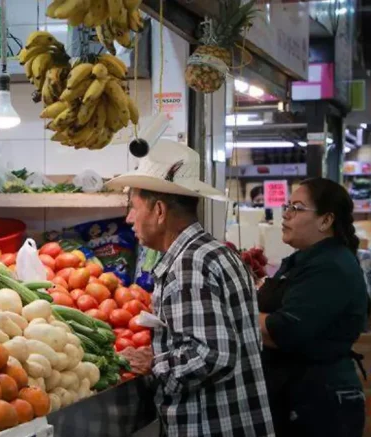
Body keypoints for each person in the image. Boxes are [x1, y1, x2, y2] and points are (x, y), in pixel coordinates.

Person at [107, 139, 274, 436]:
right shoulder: (215, 253)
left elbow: (212, 355)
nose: (128, 219)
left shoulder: (189, 265)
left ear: (159, 210)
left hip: (211, 427)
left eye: (133, 207)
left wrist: (155, 364)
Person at [258, 178, 368, 437]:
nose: (286, 214)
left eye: (296, 208)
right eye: (287, 206)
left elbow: (283, 331)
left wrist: (238, 311)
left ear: (326, 220)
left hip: (321, 406)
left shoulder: (330, 267)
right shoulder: (305, 260)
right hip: (297, 396)